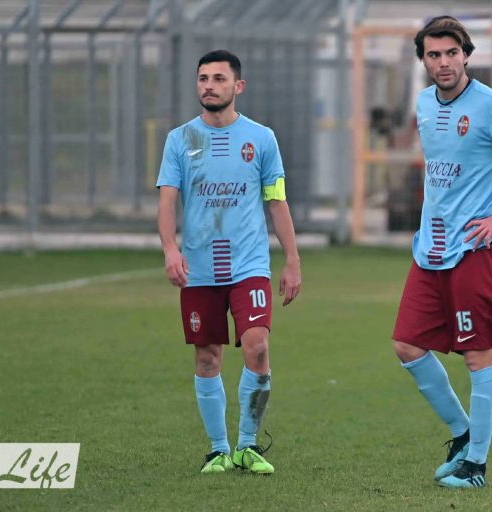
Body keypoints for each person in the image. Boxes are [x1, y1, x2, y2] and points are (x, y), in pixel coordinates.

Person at [392, 16, 492, 488]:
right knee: (406, 344)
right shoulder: (424, 103)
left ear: (466, 55)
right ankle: (464, 434)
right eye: (433, 54)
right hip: (431, 249)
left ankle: (476, 466)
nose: (443, 62)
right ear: (423, 60)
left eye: (451, 53)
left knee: (477, 355)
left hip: (476, 249)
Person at [156, 49, 301, 475]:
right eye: (203, 78)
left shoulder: (262, 139)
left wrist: (292, 259)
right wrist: (170, 249)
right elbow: (167, 202)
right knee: (207, 357)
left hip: (249, 264)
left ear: (238, 86)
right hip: (199, 268)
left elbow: (276, 201)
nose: (209, 86)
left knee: (258, 346)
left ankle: (248, 445)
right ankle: (218, 450)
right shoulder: (180, 139)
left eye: (219, 79)